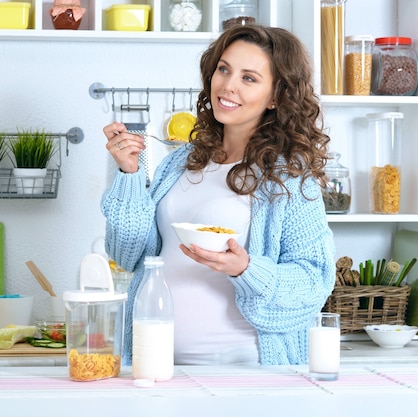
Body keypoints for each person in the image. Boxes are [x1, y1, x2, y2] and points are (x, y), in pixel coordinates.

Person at [101, 24, 336, 366]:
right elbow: (128, 255)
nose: (228, 85)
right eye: (224, 69)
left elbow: (315, 281)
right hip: (156, 364)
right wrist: (129, 174)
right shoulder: (182, 161)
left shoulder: (288, 178)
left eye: (249, 78)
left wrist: (245, 269)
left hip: (247, 374)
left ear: (276, 97)